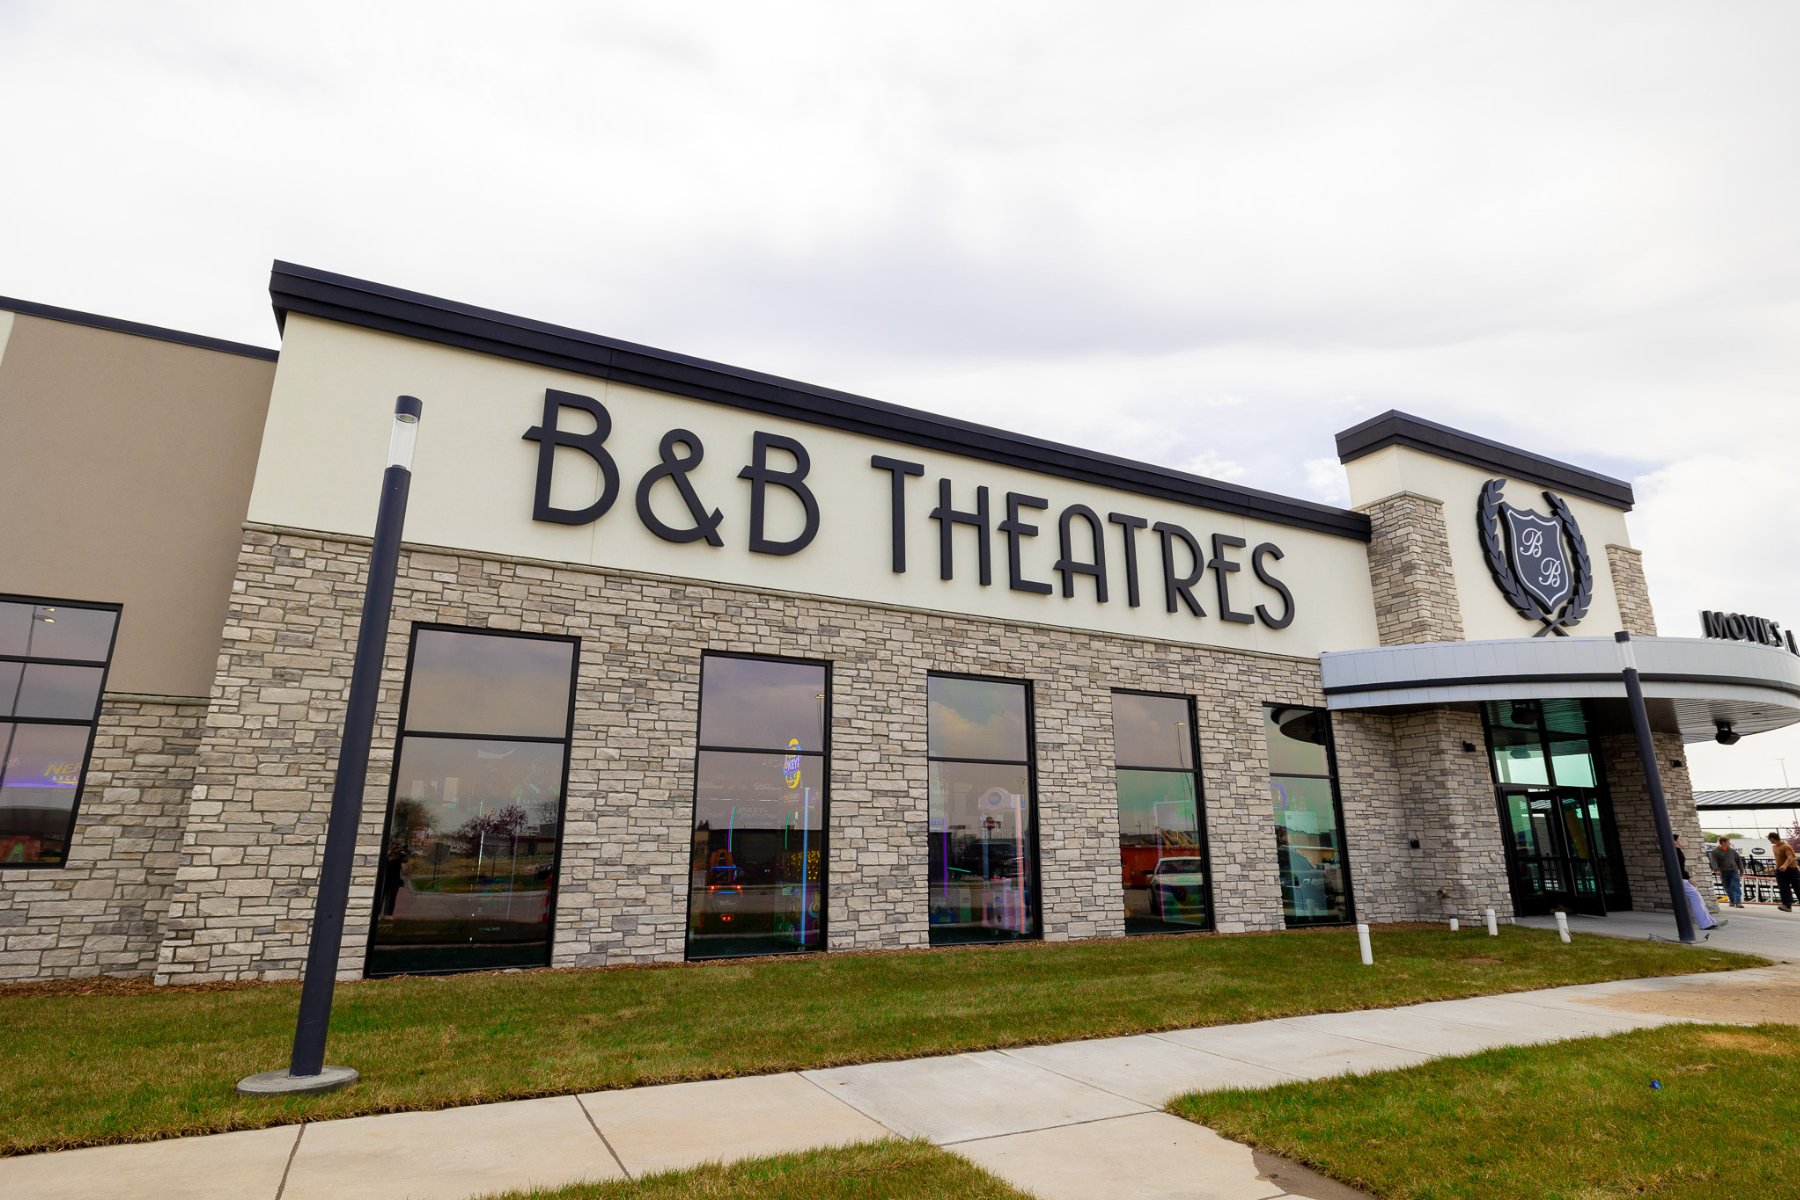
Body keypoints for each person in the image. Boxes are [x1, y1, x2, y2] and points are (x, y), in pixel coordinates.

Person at [1672, 835, 1721, 931]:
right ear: (1674, 841)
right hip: (1681, 879)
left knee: (1698, 899)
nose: (1682, 840)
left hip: (1682, 879)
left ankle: (1710, 921)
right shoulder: (1675, 852)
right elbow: (1679, 868)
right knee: (1696, 899)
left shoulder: (1676, 851)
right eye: (1679, 839)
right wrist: (1689, 878)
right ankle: (1705, 923)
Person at [1708, 837, 1746, 908]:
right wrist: (1716, 870)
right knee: (1727, 887)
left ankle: (1738, 902)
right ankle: (1732, 900)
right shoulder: (1715, 851)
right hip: (1723, 872)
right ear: (1723, 842)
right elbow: (1713, 861)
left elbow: (1738, 860)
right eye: (1728, 842)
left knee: (1736, 886)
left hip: (1733, 870)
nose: (1729, 843)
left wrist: (1741, 870)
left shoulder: (1732, 851)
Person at [1769, 831, 1800, 912]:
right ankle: (1787, 905)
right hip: (1780, 870)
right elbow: (1778, 858)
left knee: (1797, 887)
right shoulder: (1774, 847)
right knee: (1783, 888)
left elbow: (1790, 857)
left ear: (1772, 838)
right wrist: (1777, 867)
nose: (1769, 840)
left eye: (1769, 839)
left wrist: (1785, 865)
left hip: (1791, 869)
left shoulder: (1786, 846)